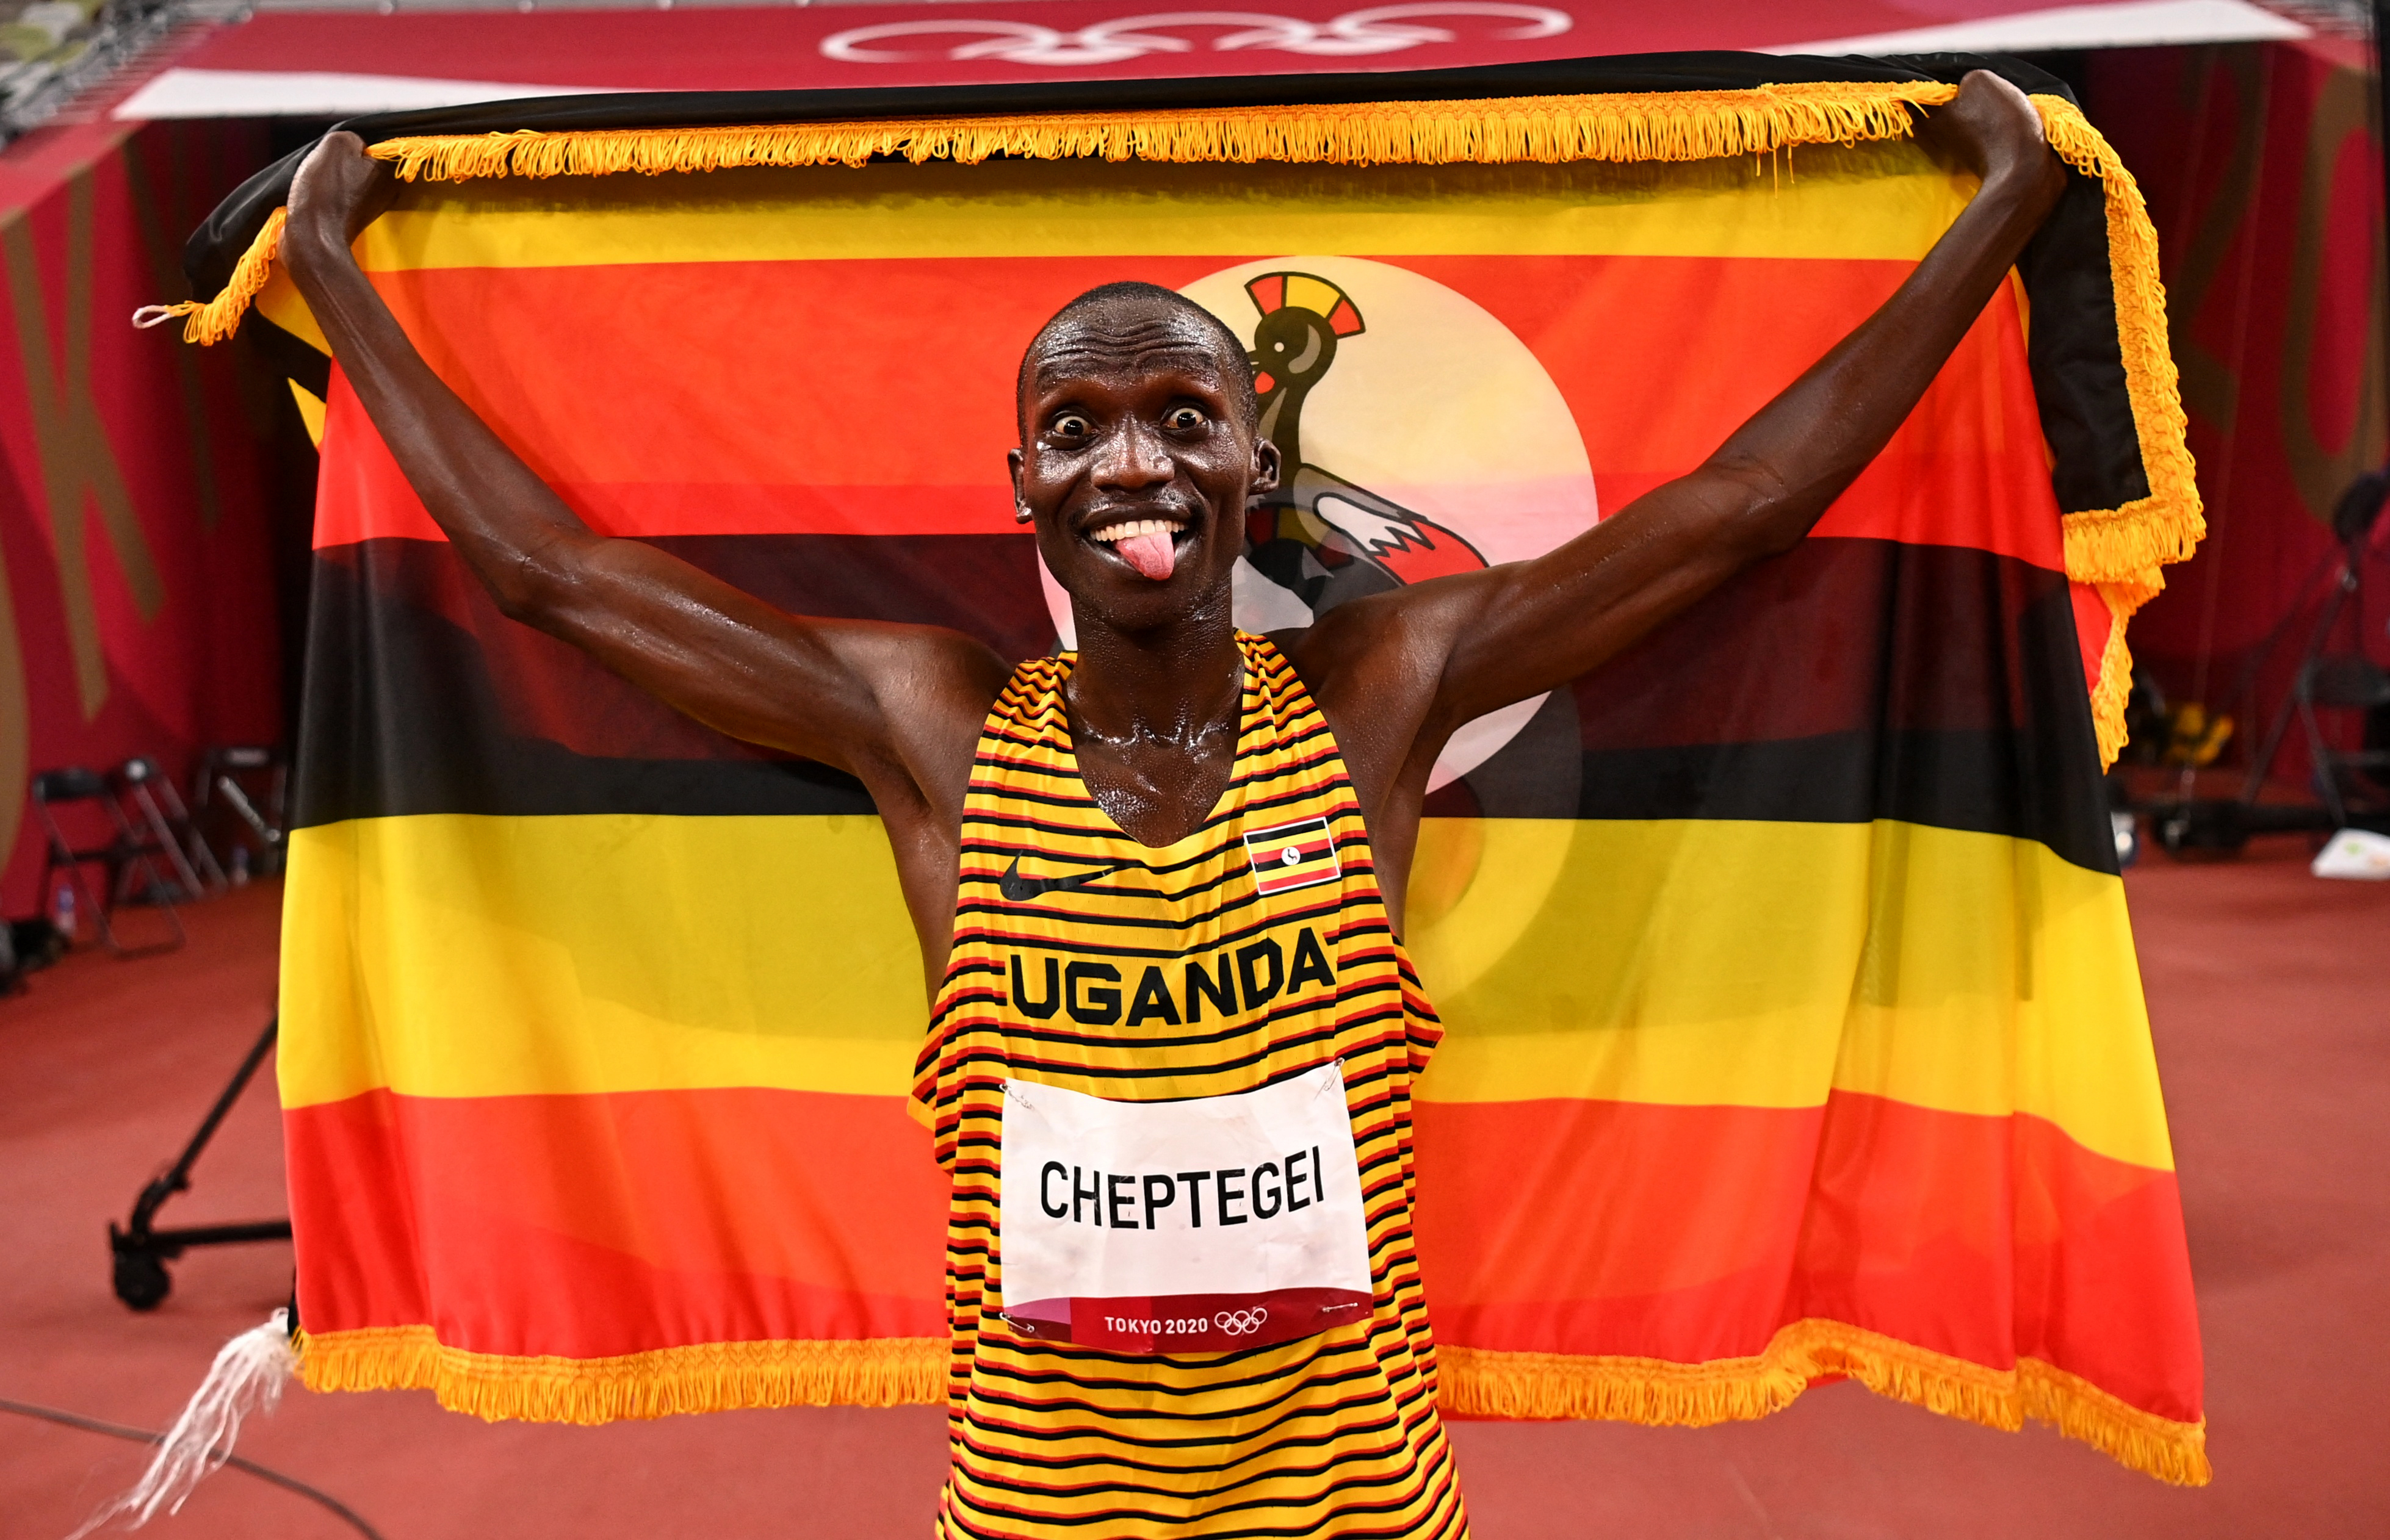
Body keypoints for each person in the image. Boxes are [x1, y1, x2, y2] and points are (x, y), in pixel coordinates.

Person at [283, 70, 2063, 1539]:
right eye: (1075, 428)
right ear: (1021, 487)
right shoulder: (930, 724)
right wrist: (334, 268)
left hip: (1357, 1513)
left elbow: (1740, 507)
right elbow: (554, 580)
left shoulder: (1376, 694)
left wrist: (1993, 208)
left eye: (1178, 415)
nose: (1130, 462)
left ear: (1253, 460)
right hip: (1045, 1516)